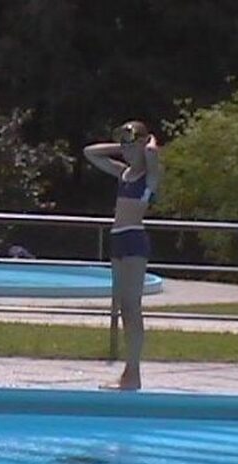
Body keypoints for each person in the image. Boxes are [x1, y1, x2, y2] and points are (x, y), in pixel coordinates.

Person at [83, 120, 161, 390]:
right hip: (117, 238)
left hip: (134, 238)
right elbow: (90, 153)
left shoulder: (150, 175)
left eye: (132, 146)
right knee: (122, 308)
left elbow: (151, 153)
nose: (127, 152)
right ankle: (129, 374)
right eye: (124, 148)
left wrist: (147, 141)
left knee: (132, 307)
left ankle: (133, 373)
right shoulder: (124, 173)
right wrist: (123, 146)